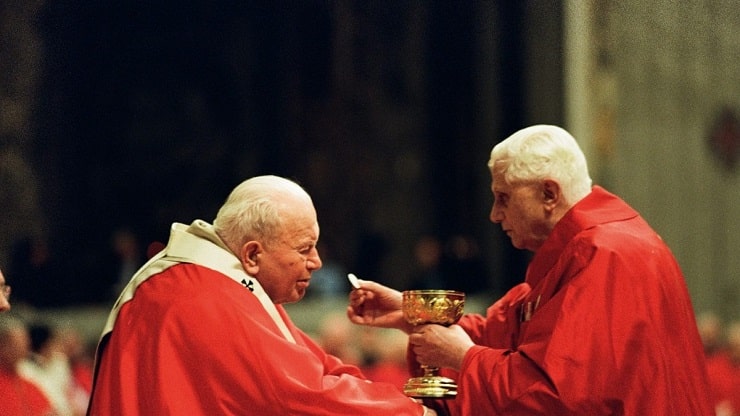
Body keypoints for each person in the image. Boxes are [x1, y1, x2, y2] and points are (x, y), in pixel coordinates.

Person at [347, 125, 713, 415]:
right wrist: (409, 312)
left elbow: (562, 397)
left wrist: (463, 358)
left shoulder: (608, 254)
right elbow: (502, 333)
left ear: (549, 194)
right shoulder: (580, 250)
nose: (494, 214)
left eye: (504, 197)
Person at [88, 175, 433, 415]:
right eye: (305, 249)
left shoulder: (215, 281)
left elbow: (313, 366)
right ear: (253, 255)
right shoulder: (208, 297)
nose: (316, 262)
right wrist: (413, 411)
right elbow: (297, 394)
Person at [0, 314, 56, 416]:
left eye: (25, 341)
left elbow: (50, 411)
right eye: (16, 343)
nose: (25, 347)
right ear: (2, 345)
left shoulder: (29, 384)